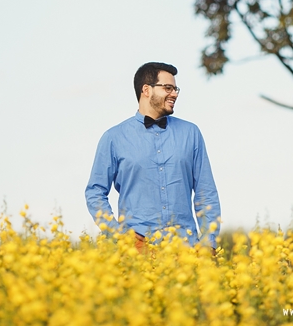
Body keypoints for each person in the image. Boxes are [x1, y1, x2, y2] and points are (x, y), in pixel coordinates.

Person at [85, 62, 221, 250]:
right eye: (168, 88)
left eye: (175, 89)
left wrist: (209, 242)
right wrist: (118, 235)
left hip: (185, 250)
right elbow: (95, 192)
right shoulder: (114, 138)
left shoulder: (191, 133)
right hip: (136, 251)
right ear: (146, 90)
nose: (175, 94)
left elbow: (205, 192)